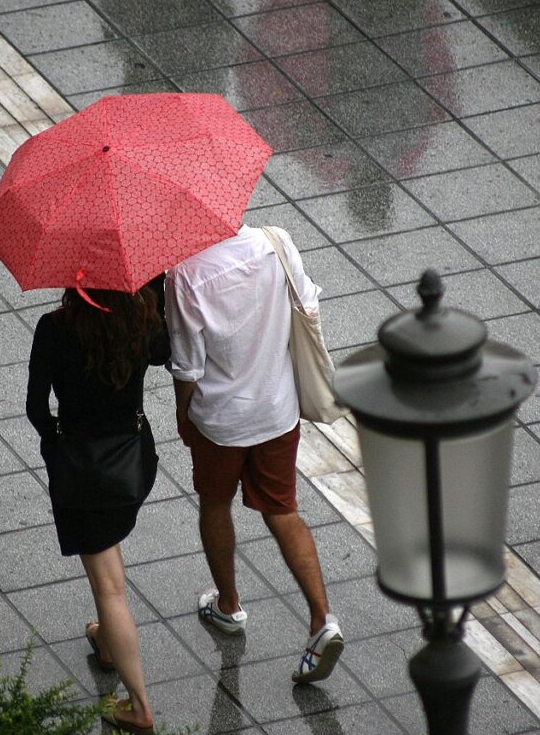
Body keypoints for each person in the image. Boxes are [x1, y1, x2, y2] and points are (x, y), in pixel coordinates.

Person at [165, 224, 344, 684]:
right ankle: (322, 619)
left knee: (215, 504)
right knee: (283, 511)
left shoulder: (184, 276)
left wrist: (182, 415)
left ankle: (229, 606)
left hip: (221, 420)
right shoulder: (277, 241)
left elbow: (188, 366)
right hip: (277, 408)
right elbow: (307, 303)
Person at [26, 279, 169, 734]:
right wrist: (156, 289)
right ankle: (107, 644)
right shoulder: (142, 320)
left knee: (109, 588)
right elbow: (165, 354)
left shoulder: (55, 328)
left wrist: (56, 443)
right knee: (108, 550)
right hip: (131, 462)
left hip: (84, 474)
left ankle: (139, 706)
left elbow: (35, 407)